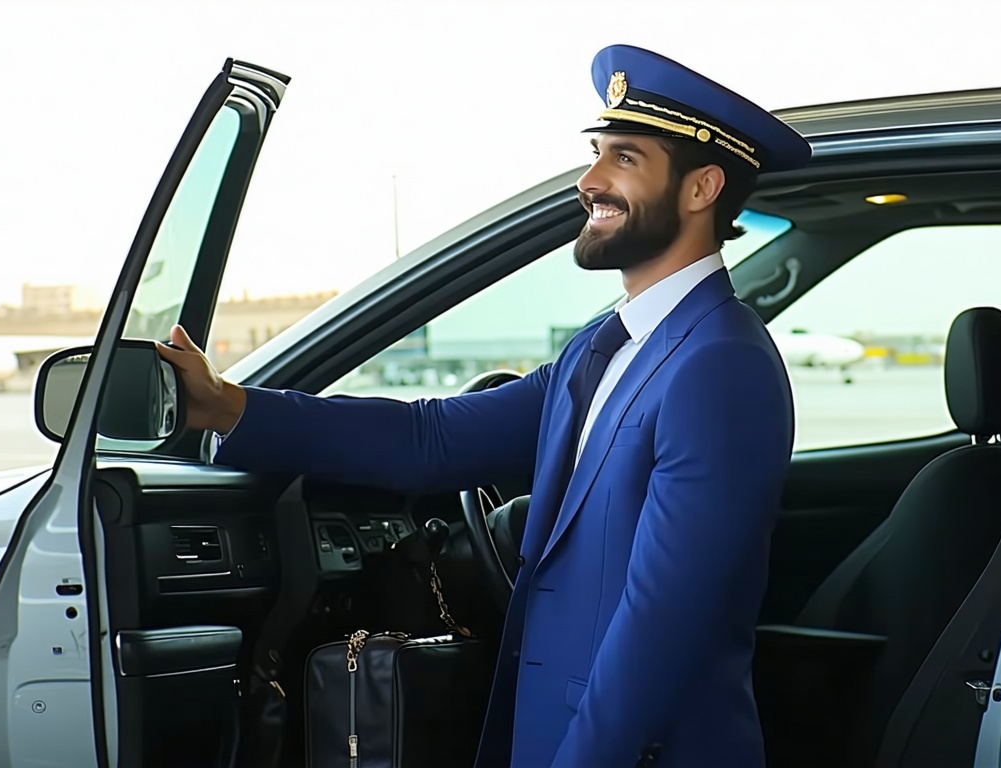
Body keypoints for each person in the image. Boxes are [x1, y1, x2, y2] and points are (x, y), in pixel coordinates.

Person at [159, 44, 812, 768]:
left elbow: (665, 627)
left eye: (624, 158)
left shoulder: (718, 364)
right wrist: (228, 407)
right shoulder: (605, 347)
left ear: (702, 188)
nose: (590, 181)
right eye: (596, 154)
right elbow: (432, 438)